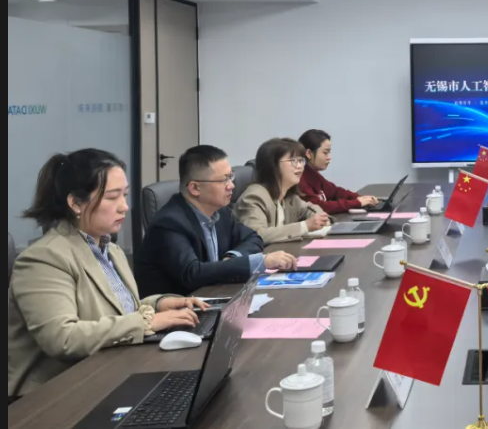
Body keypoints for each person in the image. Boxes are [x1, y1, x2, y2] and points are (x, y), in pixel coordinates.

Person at [8, 150, 208, 398]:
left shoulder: (110, 248)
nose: (124, 207)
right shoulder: (44, 258)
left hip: (107, 373)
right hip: (54, 396)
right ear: (76, 203)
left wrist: (159, 304)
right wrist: (147, 322)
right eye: (113, 197)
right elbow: (63, 338)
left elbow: (113, 310)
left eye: (124, 195)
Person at [135, 145, 298, 298]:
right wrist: (260, 261)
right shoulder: (168, 224)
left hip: (215, 296)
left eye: (231, 177)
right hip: (180, 309)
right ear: (195, 188)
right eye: (223, 180)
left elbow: (253, 237)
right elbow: (192, 273)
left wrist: (232, 258)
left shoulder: (220, 211)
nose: (231, 185)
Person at [234, 138, 331, 244]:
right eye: (293, 161)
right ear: (273, 165)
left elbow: (311, 209)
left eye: (301, 160)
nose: (300, 166)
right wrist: (305, 226)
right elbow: (256, 235)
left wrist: (320, 220)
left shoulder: (289, 196)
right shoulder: (255, 197)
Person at [298, 130, 379, 213]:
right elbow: (320, 207)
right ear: (309, 154)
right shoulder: (300, 181)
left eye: (329, 152)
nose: (329, 157)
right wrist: (357, 202)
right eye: (325, 153)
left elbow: (336, 192)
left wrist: (360, 198)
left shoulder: (314, 175)